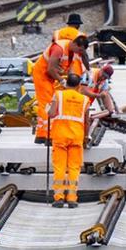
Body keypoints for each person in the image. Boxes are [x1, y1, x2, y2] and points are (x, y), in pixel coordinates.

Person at [30, 27, 88, 145]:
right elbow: (50, 69)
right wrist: (62, 81)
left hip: (51, 77)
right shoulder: (58, 48)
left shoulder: (72, 51)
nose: (80, 53)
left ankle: (43, 134)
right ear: (76, 44)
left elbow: (65, 68)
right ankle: (47, 135)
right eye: (80, 50)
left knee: (52, 102)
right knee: (46, 103)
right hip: (42, 75)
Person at [47, 73, 89, 208]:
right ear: (78, 85)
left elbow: (51, 113)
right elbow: (87, 121)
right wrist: (86, 137)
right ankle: (72, 198)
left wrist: (48, 108)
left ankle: (58, 198)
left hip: (60, 136)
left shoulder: (58, 95)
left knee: (59, 168)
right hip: (77, 136)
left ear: (66, 83)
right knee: (74, 168)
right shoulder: (84, 99)